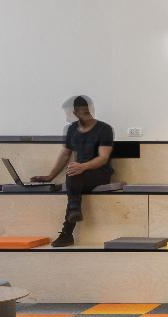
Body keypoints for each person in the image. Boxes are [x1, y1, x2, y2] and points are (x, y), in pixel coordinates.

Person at [32, 96, 115, 248]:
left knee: (75, 174)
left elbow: (103, 158)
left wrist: (83, 166)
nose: (67, 117)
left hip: (100, 173)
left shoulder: (104, 129)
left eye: (68, 113)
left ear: (78, 112)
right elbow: (65, 154)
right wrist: (50, 176)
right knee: (73, 172)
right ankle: (72, 215)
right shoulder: (71, 129)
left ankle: (68, 229)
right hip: (79, 174)